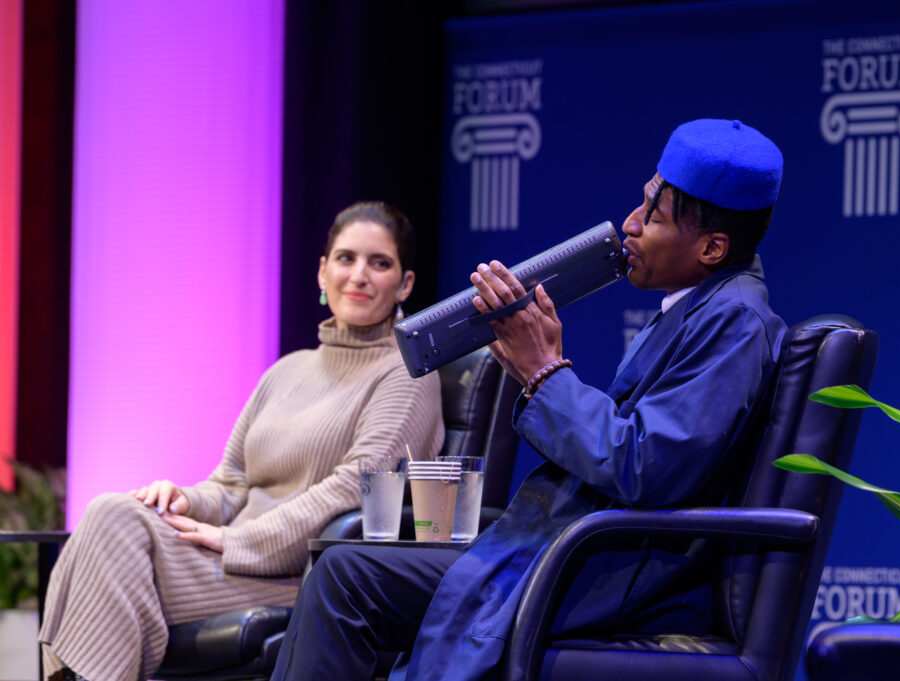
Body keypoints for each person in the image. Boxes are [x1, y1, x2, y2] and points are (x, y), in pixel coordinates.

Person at [270, 118, 789, 681]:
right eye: (642, 203)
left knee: (347, 577)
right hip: (582, 549)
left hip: (619, 571)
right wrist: (539, 369)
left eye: (655, 217)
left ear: (713, 247)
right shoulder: (700, 309)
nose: (631, 224)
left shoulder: (734, 322)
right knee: (342, 571)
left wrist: (546, 373)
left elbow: (647, 467)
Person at [39, 201, 446, 681]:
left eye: (379, 263)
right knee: (115, 509)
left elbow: (355, 488)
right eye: (345, 258)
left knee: (112, 535)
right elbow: (232, 484)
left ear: (405, 284)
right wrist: (187, 500)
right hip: (227, 554)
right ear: (322, 272)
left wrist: (238, 540)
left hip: (299, 575)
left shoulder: (407, 373)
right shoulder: (287, 370)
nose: (359, 275)